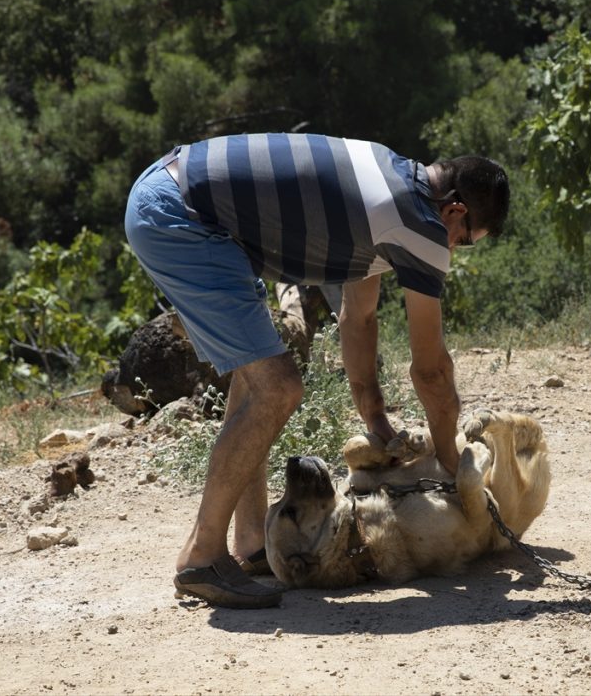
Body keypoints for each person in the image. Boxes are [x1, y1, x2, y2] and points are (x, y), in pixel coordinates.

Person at [124, 134, 509, 608]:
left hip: (171, 194)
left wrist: (375, 422)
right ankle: (200, 558)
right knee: (277, 389)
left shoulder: (390, 183)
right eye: (464, 240)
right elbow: (431, 372)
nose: (454, 249)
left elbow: (358, 318)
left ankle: (249, 545)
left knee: (254, 384)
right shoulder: (421, 224)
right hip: (181, 216)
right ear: (454, 212)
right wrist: (451, 464)